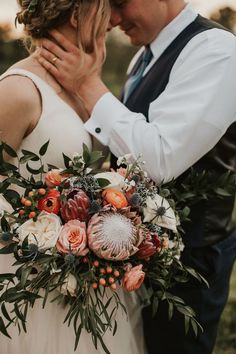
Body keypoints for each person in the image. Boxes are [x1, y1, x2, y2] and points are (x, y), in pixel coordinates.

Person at [37, 0, 236, 353]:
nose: (111, 19)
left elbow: (158, 159)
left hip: (190, 265)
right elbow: (123, 147)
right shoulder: (143, 57)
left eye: (119, 2)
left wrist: (86, 83)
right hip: (129, 256)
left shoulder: (217, 50)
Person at [0, 1, 147, 353]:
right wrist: (46, 236)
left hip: (88, 285)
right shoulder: (17, 91)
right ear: (79, 11)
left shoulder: (82, 82)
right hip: (31, 288)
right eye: (106, 7)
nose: (114, 18)